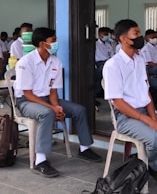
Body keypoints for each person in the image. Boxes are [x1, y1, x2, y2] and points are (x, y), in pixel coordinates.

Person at [103, 19, 157, 183]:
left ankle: (145, 160)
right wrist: (148, 122)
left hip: (145, 111)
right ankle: (154, 167)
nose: (140, 37)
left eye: (139, 33)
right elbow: (119, 103)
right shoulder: (113, 65)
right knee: (156, 138)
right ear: (123, 38)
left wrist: (154, 118)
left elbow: (146, 92)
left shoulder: (139, 60)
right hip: (125, 116)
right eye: (135, 34)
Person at [14, 27, 102, 178]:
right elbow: (28, 94)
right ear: (42, 44)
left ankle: (84, 148)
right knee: (47, 113)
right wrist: (52, 108)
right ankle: (40, 161)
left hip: (48, 99)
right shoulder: (25, 62)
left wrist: (56, 106)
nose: (56, 43)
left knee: (79, 110)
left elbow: (53, 91)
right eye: (53, 40)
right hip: (27, 102)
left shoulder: (55, 61)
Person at [95, 27, 114, 97]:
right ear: (100, 35)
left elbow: (112, 55)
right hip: (99, 63)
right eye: (105, 34)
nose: (106, 36)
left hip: (109, 62)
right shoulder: (96, 44)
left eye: (107, 34)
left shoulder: (108, 45)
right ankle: (98, 92)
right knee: (101, 71)